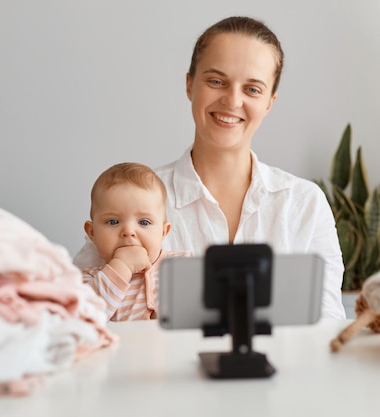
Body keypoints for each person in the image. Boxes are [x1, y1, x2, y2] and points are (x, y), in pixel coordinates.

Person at [74, 16, 346, 319]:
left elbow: (327, 327)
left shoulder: (304, 203)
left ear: (270, 101)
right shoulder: (130, 203)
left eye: (253, 89)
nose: (232, 100)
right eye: (216, 81)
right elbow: (74, 317)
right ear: (190, 84)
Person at [80, 162, 190, 321]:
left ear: (163, 232)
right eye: (113, 222)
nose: (128, 231)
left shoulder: (181, 266)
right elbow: (83, 320)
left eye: (144, 222)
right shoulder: (89, 280)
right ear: (92, 233)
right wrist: (121, 267)